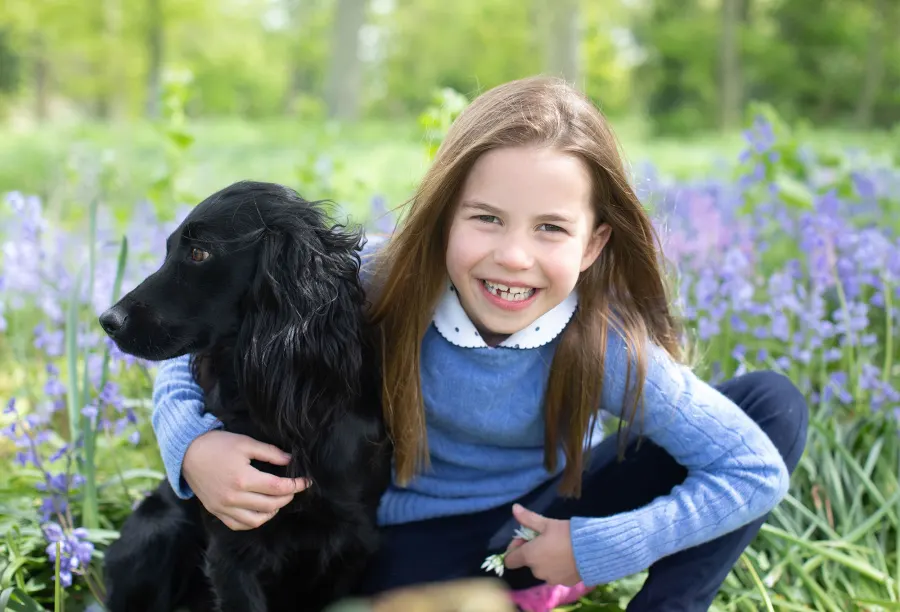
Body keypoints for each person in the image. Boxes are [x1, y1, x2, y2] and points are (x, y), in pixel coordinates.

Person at [149, 75, 808, 611]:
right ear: (444, 218)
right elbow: (198, 331)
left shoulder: (600, 340)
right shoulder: (381, 281)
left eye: (551, 228)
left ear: (593, 244)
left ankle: (614, 595)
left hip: (539, 516)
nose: (513, 256)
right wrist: (193, 446)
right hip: (401, 543)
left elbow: (753, 470)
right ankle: (512, 592)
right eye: (487, 219)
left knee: (770, 405)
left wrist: (599, 544)